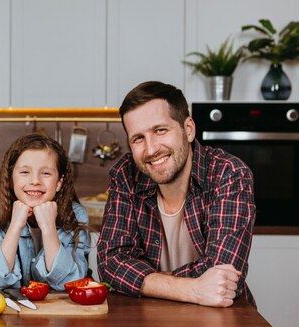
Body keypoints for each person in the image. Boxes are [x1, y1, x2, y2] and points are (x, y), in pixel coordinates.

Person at [97, 81, 256, 307]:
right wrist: (194, 289)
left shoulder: (228, 174)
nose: (151, 149)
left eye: (160, 130)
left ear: (188, 129)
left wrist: (146, 280)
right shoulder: (126, 175)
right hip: (149, 320)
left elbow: (225, 276)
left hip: (219, 318)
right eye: (138, 138)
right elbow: (110, 264)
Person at [0, 133, 90, 290]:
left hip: (59, 311)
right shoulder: (0, 213)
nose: (35, 181)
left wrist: (48, 228)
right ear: (11, 180)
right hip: (14, 312)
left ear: (59, 183)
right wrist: (15, 227)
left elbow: (71, 282)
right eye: (25, 172)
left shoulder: (75, 214)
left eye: (46, 173)